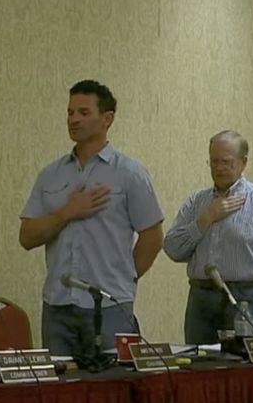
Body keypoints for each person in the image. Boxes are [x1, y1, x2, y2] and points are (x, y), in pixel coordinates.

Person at [19, 80, 164, 358]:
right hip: (57, 307)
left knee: (115, 382)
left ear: (107, 119)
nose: (73, 119)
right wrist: (66, 213)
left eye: (83, 113)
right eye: (70, 112)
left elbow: (153, 237)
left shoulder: (130, 174)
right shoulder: (50, 174)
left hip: (110, 308)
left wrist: (125, 279)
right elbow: (26, 237)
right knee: (61, 383)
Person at [163, 130, 253, 343]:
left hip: (248, 298)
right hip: (201, 299)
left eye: (226, 162)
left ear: (243, 163)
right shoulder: (197, 201)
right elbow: (172, 249)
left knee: (244, 362)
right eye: (214, 162)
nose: (219, 168)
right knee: (200, 362)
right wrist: (206, 218)